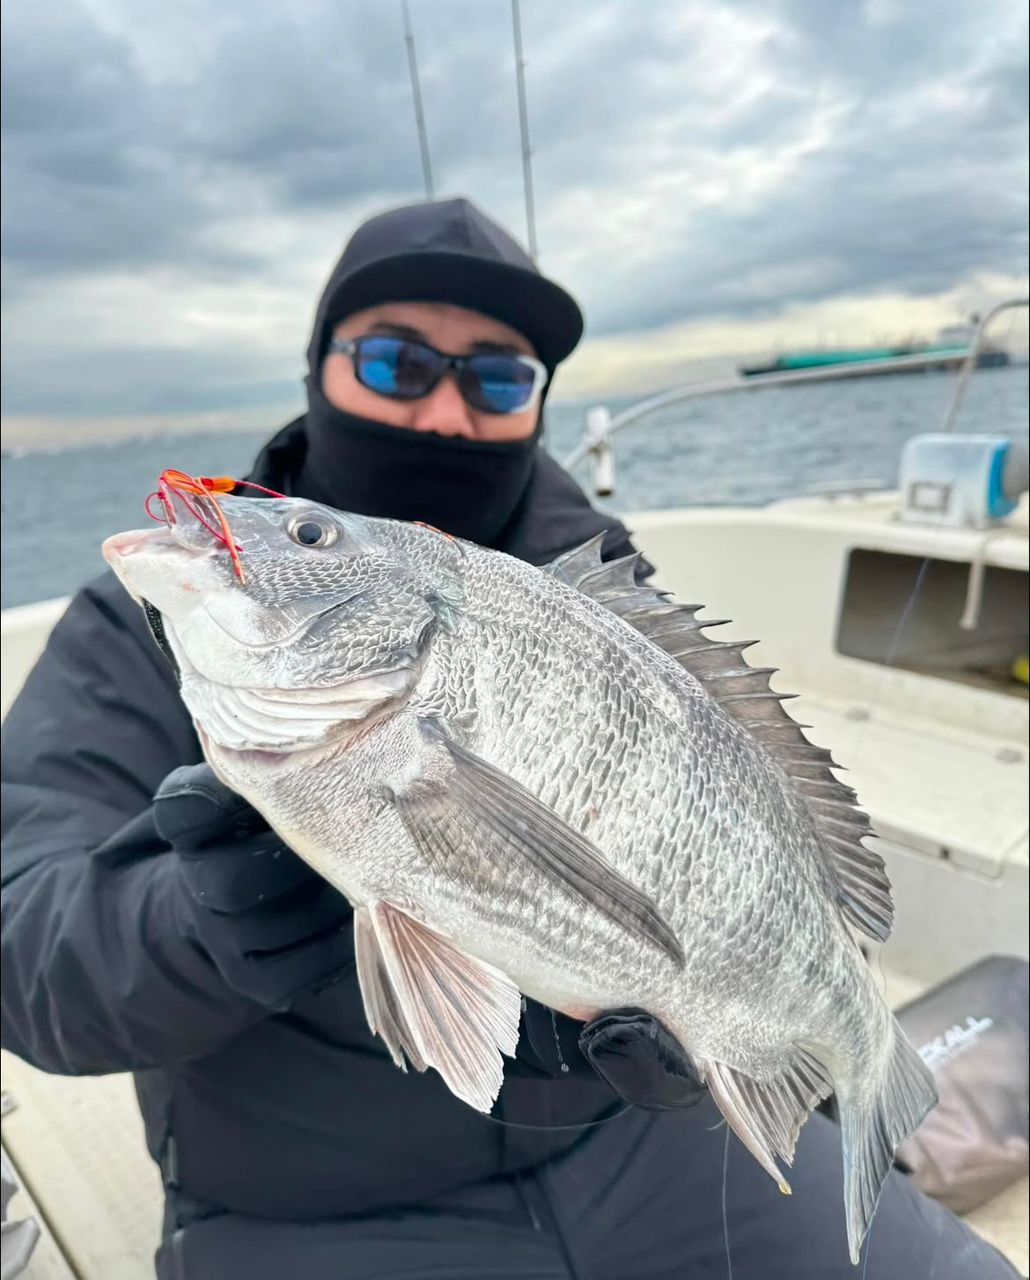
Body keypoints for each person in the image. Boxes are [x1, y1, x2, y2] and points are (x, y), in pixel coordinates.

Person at [0, 198, 1017, 1280]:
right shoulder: (149, 628)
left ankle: (862, 1087)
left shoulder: (604, 599)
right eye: (395, 363)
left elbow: (738, 835)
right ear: (318, 373)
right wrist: (197, 919)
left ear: (538, 402)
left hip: (636, 1133)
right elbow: (25, 953)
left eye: (496, 379)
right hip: (310, 1197)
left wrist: (722, 1041)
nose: (444, 412)